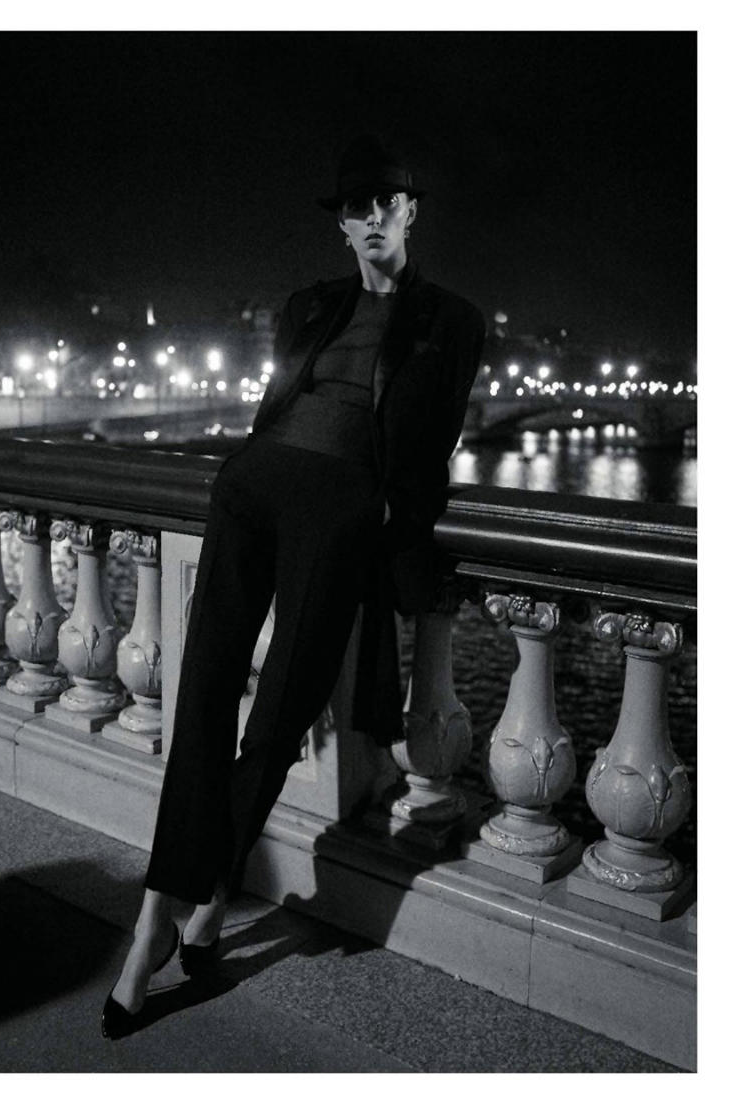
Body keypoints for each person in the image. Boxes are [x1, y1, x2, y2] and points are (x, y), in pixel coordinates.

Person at [101, 134, 486, 1038]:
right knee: (201, 703)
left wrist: (397, 524)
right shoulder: (307, 307)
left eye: (388, 202)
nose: (374, 217)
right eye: (358, 207)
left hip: (342, 508)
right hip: (253, 488)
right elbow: (278, 401)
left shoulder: (453, 320)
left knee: (276, 721)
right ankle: (158, 919)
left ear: (411, 212)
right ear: (342, 227)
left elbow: (432, 443)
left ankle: (200, 902)